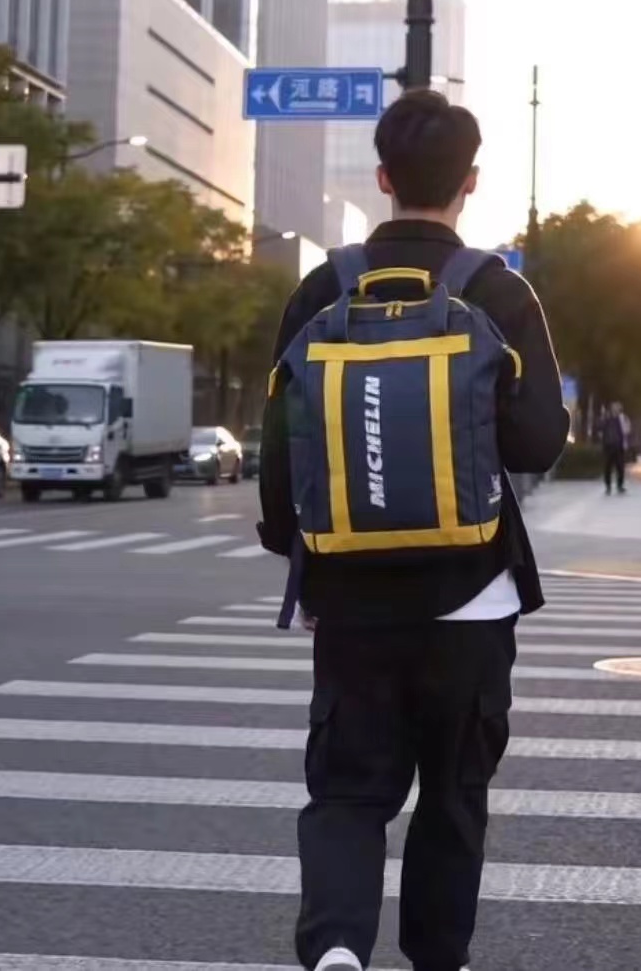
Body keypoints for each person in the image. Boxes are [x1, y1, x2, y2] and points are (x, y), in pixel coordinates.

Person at [259, 89, 569, 971]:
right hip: (471, 597)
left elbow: (280, 444)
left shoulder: (323, 288)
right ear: (470, 181)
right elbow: (540, 440)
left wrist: (299, 553)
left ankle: (336, 950)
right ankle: (438, 958)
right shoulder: (500, 291)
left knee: (347, 792)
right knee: (453, 797)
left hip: (351, 597)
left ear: (384, 177)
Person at [600, 401, 630, 494]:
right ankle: (608, 486)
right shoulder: (606, 418)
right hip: (608, 446)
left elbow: (627, 431)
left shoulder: (623, 419)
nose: (616, 409)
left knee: (620, 467)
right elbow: (601, 429)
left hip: (619, 447)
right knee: (607, 467)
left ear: (620, 409)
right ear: (611, 409)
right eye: (614, 407)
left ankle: (620, 486)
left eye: (618, 408)